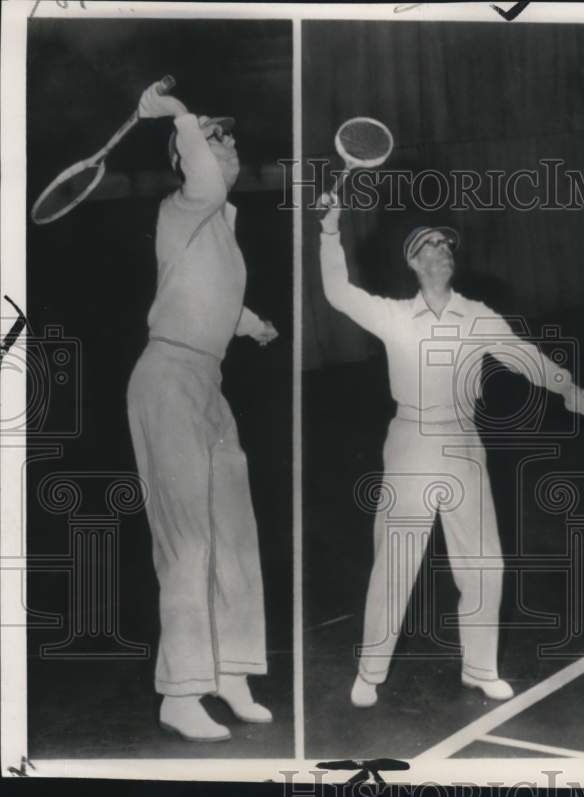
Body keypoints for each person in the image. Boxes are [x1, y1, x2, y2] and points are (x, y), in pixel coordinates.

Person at [318, 199, 584, 707]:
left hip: (464, 442)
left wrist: (566, 387)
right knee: (397, 559)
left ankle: (480, 667)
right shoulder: (395, 315)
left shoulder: (477, 316)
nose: (442, 251)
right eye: (430, 245)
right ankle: (370, 671)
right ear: (413, 262)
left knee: (484, 563)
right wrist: (329, 229)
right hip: (411, 441)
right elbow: (337, 292)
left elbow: (524, 355)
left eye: (447, 245)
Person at [127, 81, 279, 742]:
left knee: (233, 533)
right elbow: (209, 184)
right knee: (186, 540)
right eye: (218, 140)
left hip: (207, 381)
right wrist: (182, 114)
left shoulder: (219, 226)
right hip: (166, 381)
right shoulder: (184, 206)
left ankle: (230, 673)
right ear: (187, 159)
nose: (231, 146)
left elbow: (205, 292)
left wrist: (248, 324)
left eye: (228, 137)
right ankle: (180, 693)